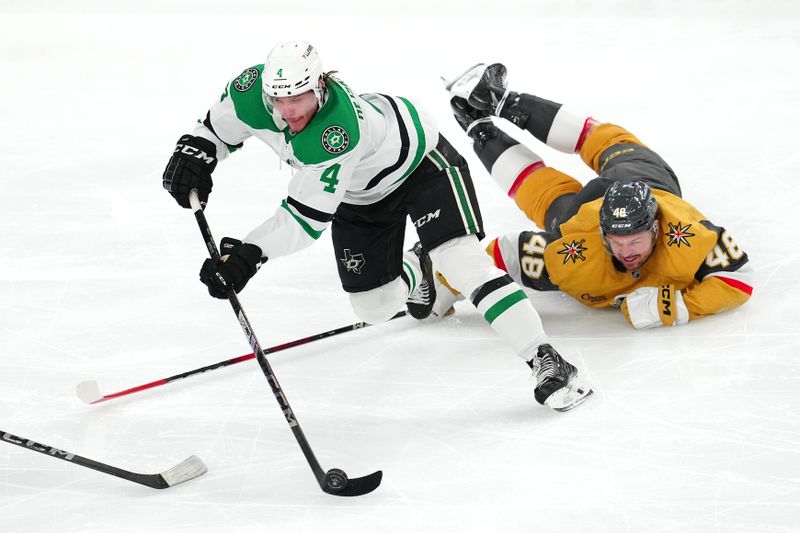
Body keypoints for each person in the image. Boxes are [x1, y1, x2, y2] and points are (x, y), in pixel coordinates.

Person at [161, 42, 593, 411]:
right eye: (279, 99)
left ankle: (546, 358)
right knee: (372, 306)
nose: (289, 110)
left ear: (319, 86)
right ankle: (418, 274)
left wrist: (248, 255)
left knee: (461, 262)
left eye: (299, 97)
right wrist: (196, 152)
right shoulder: (251, 91)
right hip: (359, 193)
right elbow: (217, 129)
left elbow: (302, 219)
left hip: (422, 167)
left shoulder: (335, 132)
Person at [440, 63, 753, 328]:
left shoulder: (686, 233)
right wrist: (443, 282)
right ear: (603, 234)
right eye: (618, 241)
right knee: (546, 188)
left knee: (561, 176)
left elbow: (739, 281)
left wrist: (673, 308)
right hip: (588, 207)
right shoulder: (574, 251)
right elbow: (506, 253)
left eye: (635, 240)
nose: (627, 251)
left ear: (657, 227)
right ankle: (494, 105)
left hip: (645, 182)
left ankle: (481, 122)